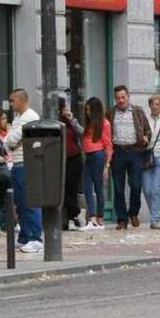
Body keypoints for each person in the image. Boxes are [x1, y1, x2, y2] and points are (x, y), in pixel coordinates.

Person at [3, 89, 44, 253]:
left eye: (13, 101)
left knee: (30, 202)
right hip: (18, 162)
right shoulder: (18, 118)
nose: (11, 104)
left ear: (21, 100)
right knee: (20, 203)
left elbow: (11, 139)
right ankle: (24, 237)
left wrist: (12, 141)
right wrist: (12, 141)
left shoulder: (30, 117)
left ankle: (36, 238)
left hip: (27, 163)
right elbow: (8, 143)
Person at [110, 85, 152, 230]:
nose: (121, 100)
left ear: (128, 96)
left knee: (135, 184)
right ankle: (122, 219)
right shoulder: (110, 113)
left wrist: (146, 137)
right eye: (118, 98)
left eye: (123, 97)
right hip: (118, 152)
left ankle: (133, 212)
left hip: (135, 151)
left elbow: (147, 129)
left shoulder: (137, 111)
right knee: (118, 187)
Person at [81, 97, 112, 231]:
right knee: (88, 188)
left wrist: (107, 165)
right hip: (89, 156)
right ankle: (93, 219)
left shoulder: (104, 124)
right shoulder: (89, 124)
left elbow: (108, 145)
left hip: (98, 155)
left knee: (98, 188)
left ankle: (99, 219)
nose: (87, 113)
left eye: (89, 110)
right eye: (86, 110)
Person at [142, 94, 160, 229]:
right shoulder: (144, 118)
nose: (154, 106)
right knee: (146, 189)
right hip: (146, 155)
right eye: (152, 103)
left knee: (156, 188)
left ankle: (155, 219)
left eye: (157, 104)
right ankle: (156, 213)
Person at [59, 98, 85, 231]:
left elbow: (81, 132)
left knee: (72, 189)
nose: (66, 110)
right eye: (64, 108)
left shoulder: (70, 121)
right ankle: (76, 212)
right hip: (60, 159)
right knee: (60, 189)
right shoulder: (55, 121)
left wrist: (71, 119)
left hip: (75, 158)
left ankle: (71, 220)